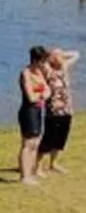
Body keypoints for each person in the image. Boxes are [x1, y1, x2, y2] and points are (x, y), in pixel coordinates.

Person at [42, 48, 79, 176]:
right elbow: (42, 61)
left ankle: (53, 163)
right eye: (57, 55)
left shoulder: (64, 67)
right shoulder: (48, 69)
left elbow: (76, 54)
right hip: (53, 109)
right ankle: (37, 165)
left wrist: (61, 54)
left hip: (66, 109)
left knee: (61, 138)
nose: (60, 58)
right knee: (49, 137)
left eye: (61, 55)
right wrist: (50, 56)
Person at [19, 45, 52, 185]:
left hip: (38, 110)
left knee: (36, 142)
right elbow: (31, 97)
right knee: (28, 143)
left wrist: (42, 94)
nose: (44, 64)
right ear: (35, 60)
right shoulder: (26, 73)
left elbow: (48, 90)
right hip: (28, 111)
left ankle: (31, 172)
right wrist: (42, 94)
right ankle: (24, 176)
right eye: (42, 61)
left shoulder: (39, 72)